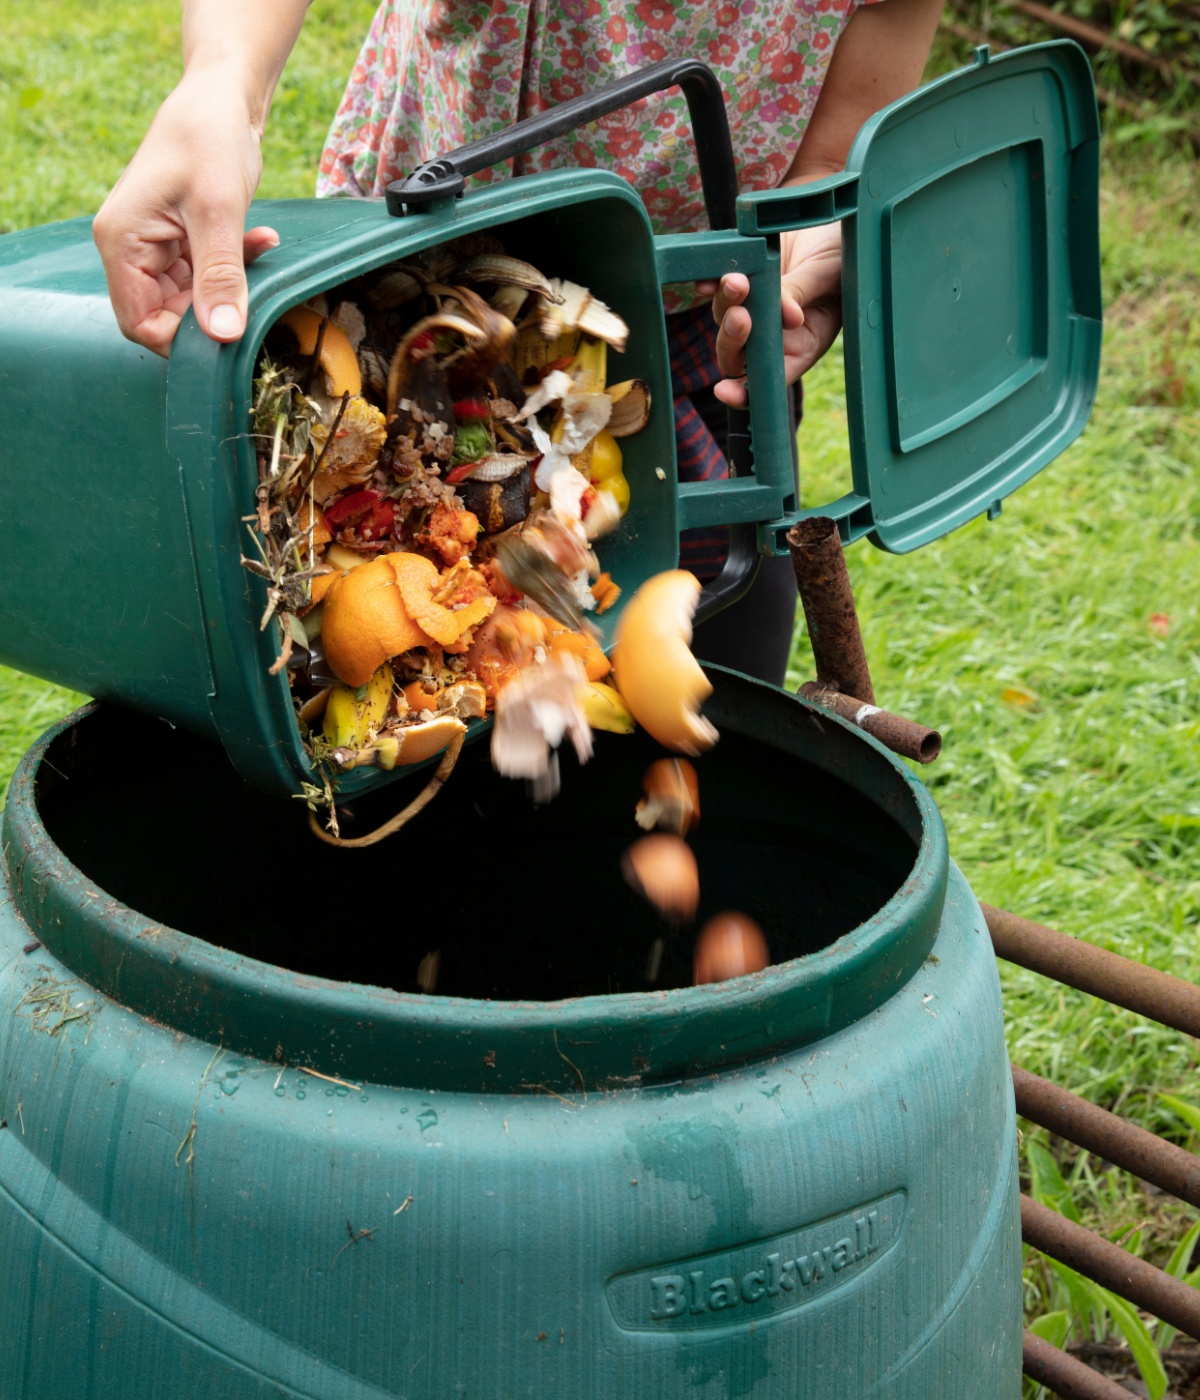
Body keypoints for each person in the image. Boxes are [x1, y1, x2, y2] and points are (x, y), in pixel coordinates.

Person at [93, 0, 941, 684]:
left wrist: (809, 239)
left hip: (695, 338)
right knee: (343, 653)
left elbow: (843, 136)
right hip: (399, 299)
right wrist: (221, 82)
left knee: (712, 683)